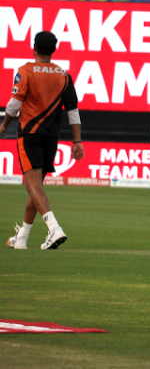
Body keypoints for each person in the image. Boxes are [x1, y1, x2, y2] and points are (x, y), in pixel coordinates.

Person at [1, 31, 84, 250]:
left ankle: (54, 229)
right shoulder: (64, 76)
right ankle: (22, 237)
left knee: (32, 185)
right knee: (35, 187)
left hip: (29, 133)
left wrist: (4, 125)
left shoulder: (26, 71)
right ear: (54, 50)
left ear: (34, 47)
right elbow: (73, 111)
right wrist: (77, 141)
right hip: (51, 137)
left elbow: (14, 105)